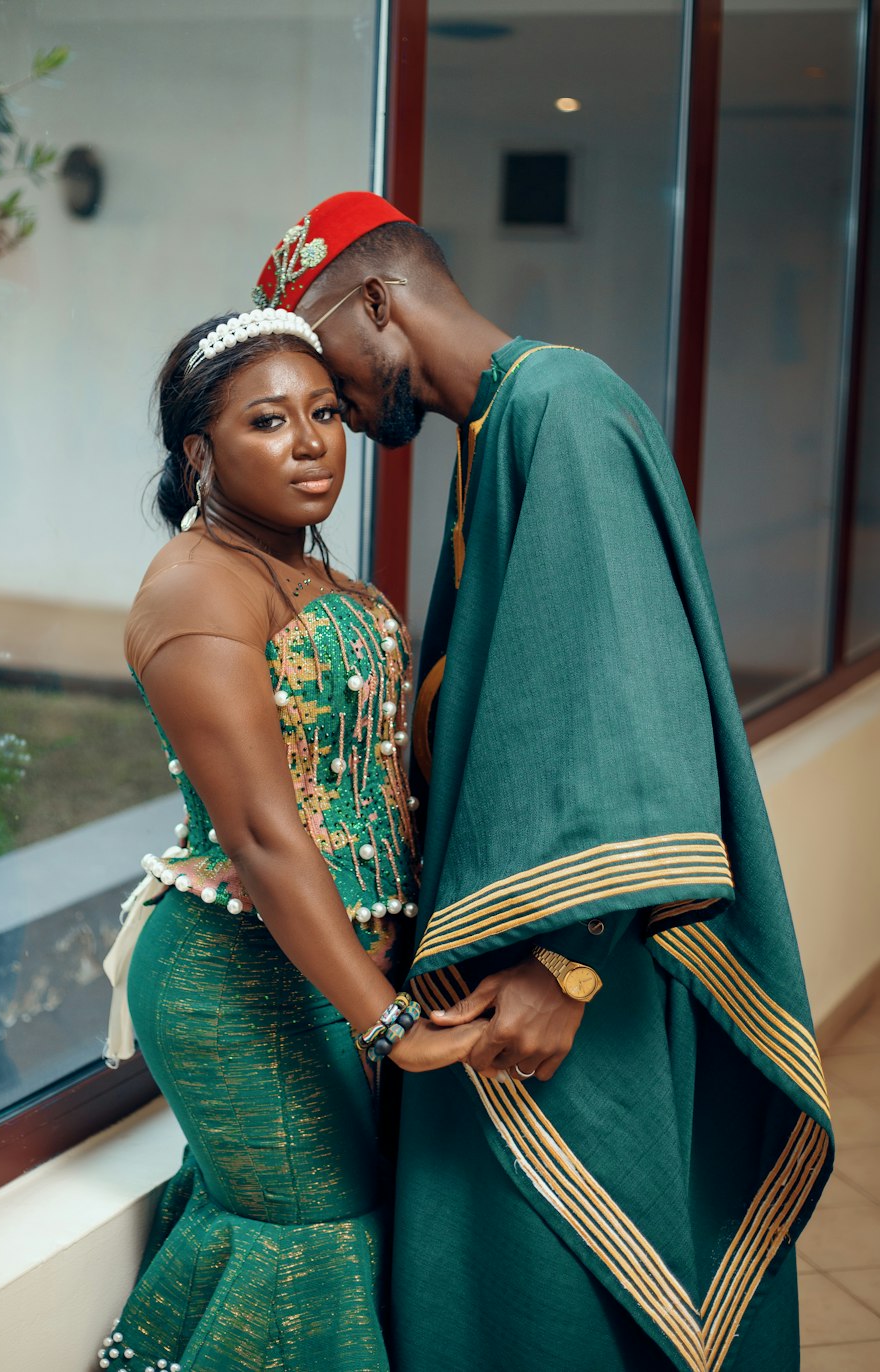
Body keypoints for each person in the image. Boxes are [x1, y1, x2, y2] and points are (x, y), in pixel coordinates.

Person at [252, 192, 835, 1372]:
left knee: (551, 1292)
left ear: (377, 302)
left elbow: (625, 708)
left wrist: (569, 964)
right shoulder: (500, 432)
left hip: (578, 967)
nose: (338, 416)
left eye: (330, 367)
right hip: (538, 957)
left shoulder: (561, 409)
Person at [96, 307, 482, 1372]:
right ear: (198, 453)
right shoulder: (195, 586)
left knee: (330, 1234)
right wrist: (389, 1022)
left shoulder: (324, 581)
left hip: (348, 971)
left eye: (325, 413)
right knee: (311, 1241)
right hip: (242, 979)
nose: (311, 443)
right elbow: (264, 832)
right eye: (268, 421)